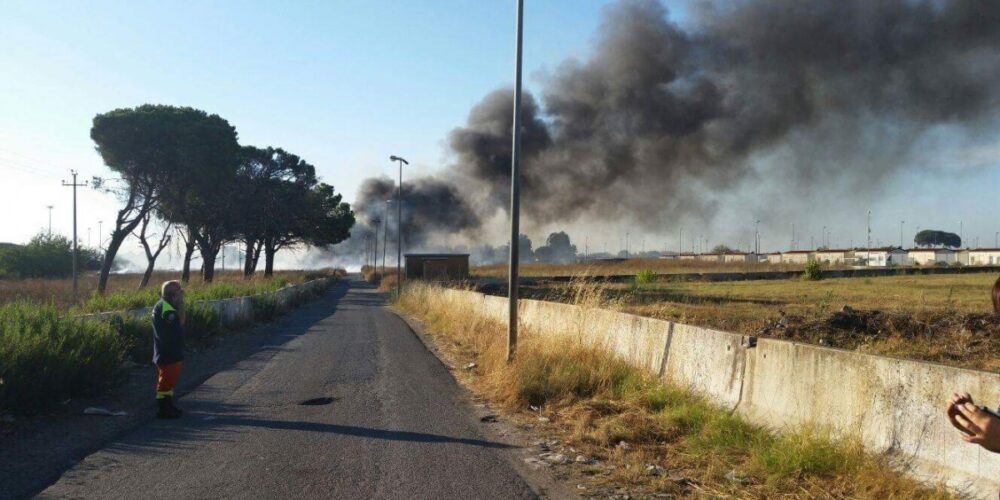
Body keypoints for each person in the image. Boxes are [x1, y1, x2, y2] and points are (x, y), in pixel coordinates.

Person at [152, 280, 185, 419]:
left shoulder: (162, 305)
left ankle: (168, 406)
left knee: (169, 381)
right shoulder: (168, 310)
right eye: (179, 292)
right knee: (165, 382)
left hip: (166, 352)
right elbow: (180, 324)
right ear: (172, 295)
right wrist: (181, 307)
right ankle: (163, 410)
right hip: (168, 353)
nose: (182, 296)